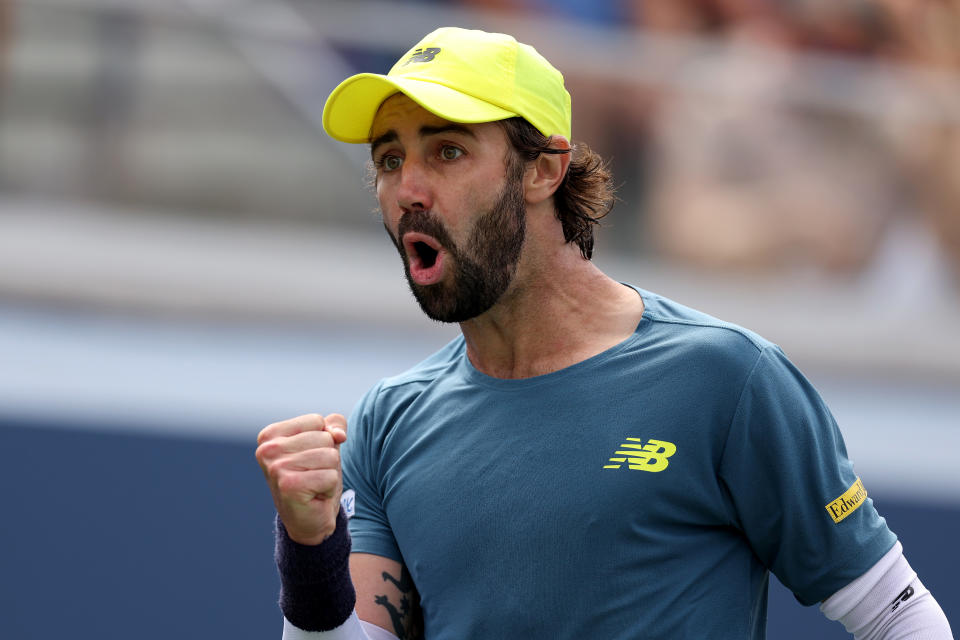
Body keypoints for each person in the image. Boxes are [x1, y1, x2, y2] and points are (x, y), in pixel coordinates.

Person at [255, 27, 953, 640]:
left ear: (544, 170)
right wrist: (311, 550)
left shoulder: (728, 379)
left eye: (447, 153)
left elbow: (899, 617)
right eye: (388, 160)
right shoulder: (388, 421)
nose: (408, 187)